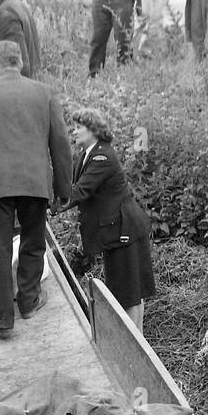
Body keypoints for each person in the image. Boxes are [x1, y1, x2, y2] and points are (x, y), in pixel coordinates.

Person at [0, 40, 72, 338]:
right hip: (35, 183)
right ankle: (29, 301)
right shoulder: (44, 93)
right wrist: (64, 188)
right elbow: (61, 145)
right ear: (20, 62)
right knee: (33, 242)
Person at [62, 109, 155, 333]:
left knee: (129, 294)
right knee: (129, 292)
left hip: (125, 232)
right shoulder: (87, 154)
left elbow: (80, 191)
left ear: (93, 130)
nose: (73, 132)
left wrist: (47, 207)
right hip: (116, 231)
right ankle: (138, 341)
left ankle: (136, 345)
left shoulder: (102, 156)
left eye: (78, 128)